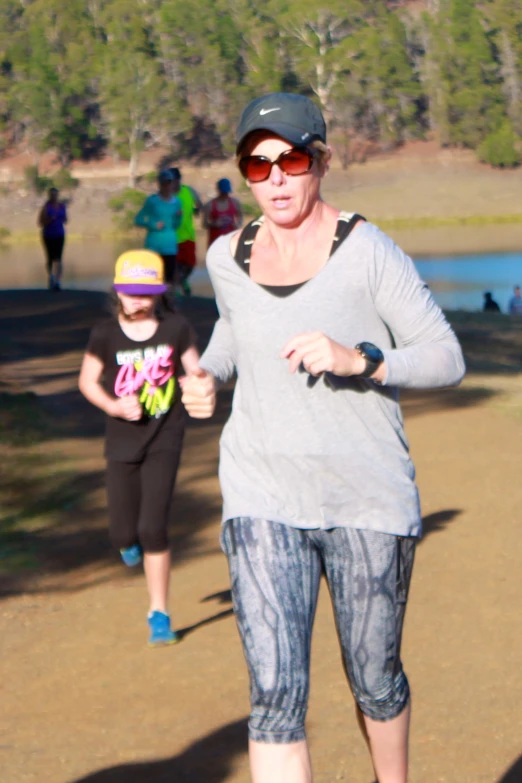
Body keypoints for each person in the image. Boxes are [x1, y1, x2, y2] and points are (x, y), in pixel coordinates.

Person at [180, 92, 466, 783]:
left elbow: (447, 356)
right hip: (262, 493)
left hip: (365, 498)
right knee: (275, 696)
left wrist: (361, 359)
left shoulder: (368, 252)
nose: (275, 177)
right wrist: (209, 373)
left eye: (292, 158)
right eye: (257, 164)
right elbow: (234, 326)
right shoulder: (226, 256)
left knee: (373, 675)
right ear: (244, 172)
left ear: (322, 162)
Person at [78, 249, 200, 646]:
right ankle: (126, 545)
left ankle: (159, 614)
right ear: (118, 292)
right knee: (122, 533)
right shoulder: (104, 334)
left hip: (165, 437)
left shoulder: (176, 328)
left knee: (153, 528)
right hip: (121, 442)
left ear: (159, 294)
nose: (137, 300)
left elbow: (195, 368)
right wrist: (113, 405)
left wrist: (198, 382)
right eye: (130, 292)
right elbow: (87, 381)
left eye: (145, 293)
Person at [135, 170, 182, 287]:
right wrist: (153, 224)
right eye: (164, 183)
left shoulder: (177, 202)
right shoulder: (152, 201)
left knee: (169, 278)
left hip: (170, 246)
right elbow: (138, 219)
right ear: (160, 185)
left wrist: (178, 217)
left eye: (169, 183)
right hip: (153, 246)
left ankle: (168, 302)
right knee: (153, 277)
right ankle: (154, 301)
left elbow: (176, 225)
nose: (167, 186)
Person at [170, 167, 203, 297]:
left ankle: (182, 280)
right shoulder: (168, 195)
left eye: (172, 180)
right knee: (175, 265)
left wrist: (196, 211)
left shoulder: (189, 191)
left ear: (178, 179)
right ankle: (177, 289)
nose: (171, 183)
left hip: (189, 235)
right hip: (172, 237)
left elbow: (199, 205)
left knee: (191, 264)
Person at [38, 187, 67, 291]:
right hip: (48, 235)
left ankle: (58, 281)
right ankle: (51, 277)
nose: (54, 196)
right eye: (52, 195)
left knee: (58, 258)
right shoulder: (46, 207)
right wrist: (50, 219)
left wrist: (62, 219)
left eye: (55, 194)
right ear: (49, 196)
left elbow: (65, 219)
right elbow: (40, 222)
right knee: (50, 258)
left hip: (60, 234)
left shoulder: (62, 206)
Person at [203, 178, 242, 249]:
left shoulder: (235, 203)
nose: (225, 194)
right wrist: (214, 224)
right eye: (223, 192)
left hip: (230, 242)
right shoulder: (210, 205)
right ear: (219, 191)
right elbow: (204, 224)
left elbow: (240, 216)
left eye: (226, 192)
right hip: (215, 243)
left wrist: (238, 224)